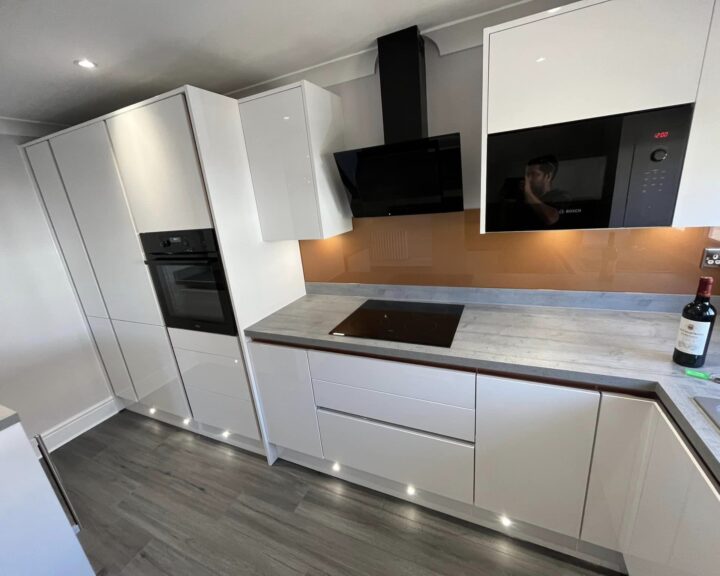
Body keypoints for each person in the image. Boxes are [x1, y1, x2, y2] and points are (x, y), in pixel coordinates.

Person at [522, 155, 570, 226]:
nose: (528, 179)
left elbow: (551, 218)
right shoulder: (523, 197)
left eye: (534, 174)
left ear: (548, 176)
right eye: (527, 175)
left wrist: (528, 193)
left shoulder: (561, 197)